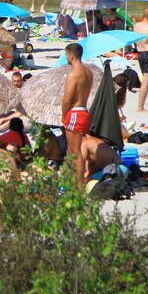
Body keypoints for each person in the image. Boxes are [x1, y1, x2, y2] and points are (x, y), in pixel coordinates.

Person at [62, 42, 93, 187]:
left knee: (75, 151)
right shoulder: (88, 72)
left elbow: (68, 98)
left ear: (70, 55)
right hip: (84, 110)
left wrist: (64, 114)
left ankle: (78, 185)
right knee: (74, 149)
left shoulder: (73, 73)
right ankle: (73, 180)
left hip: (75, 112)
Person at [134, 8, 148, 113]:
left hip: (140, 54)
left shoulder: (136, 26)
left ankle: (140, 106)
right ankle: (140, 107)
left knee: (145, 79)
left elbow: (135, 41)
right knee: (146, 81)